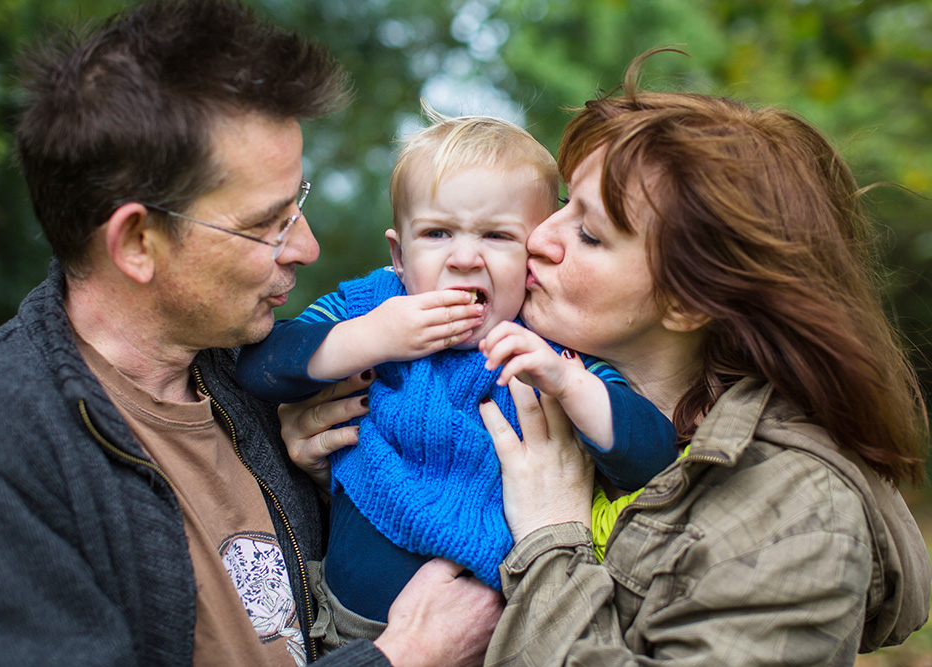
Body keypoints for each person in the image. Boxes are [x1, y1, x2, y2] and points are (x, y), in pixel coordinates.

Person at [0, 1, 503, 665]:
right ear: (138, 241)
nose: (308, 247)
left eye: (301, 202)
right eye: (268, 222)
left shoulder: (257, 379)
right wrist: (401, 656)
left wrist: (327, 482)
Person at [471, 50, 932, 664]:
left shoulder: (796, 513)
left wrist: (552, 536)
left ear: (690, 301)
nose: (539, 238)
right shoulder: (544, 385)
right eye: (563, 204)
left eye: (589, 233)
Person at [234, 108, 677, 649]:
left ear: (532, 255)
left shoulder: (549, 349)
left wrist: (568, 382)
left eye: (496, 236)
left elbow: (652, 454)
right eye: (438, 233)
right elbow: (259, 367)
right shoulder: (373, 306)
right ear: (399, 254)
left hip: (492, 638)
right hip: (345, 631)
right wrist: (370, 338)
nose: (465, 257)